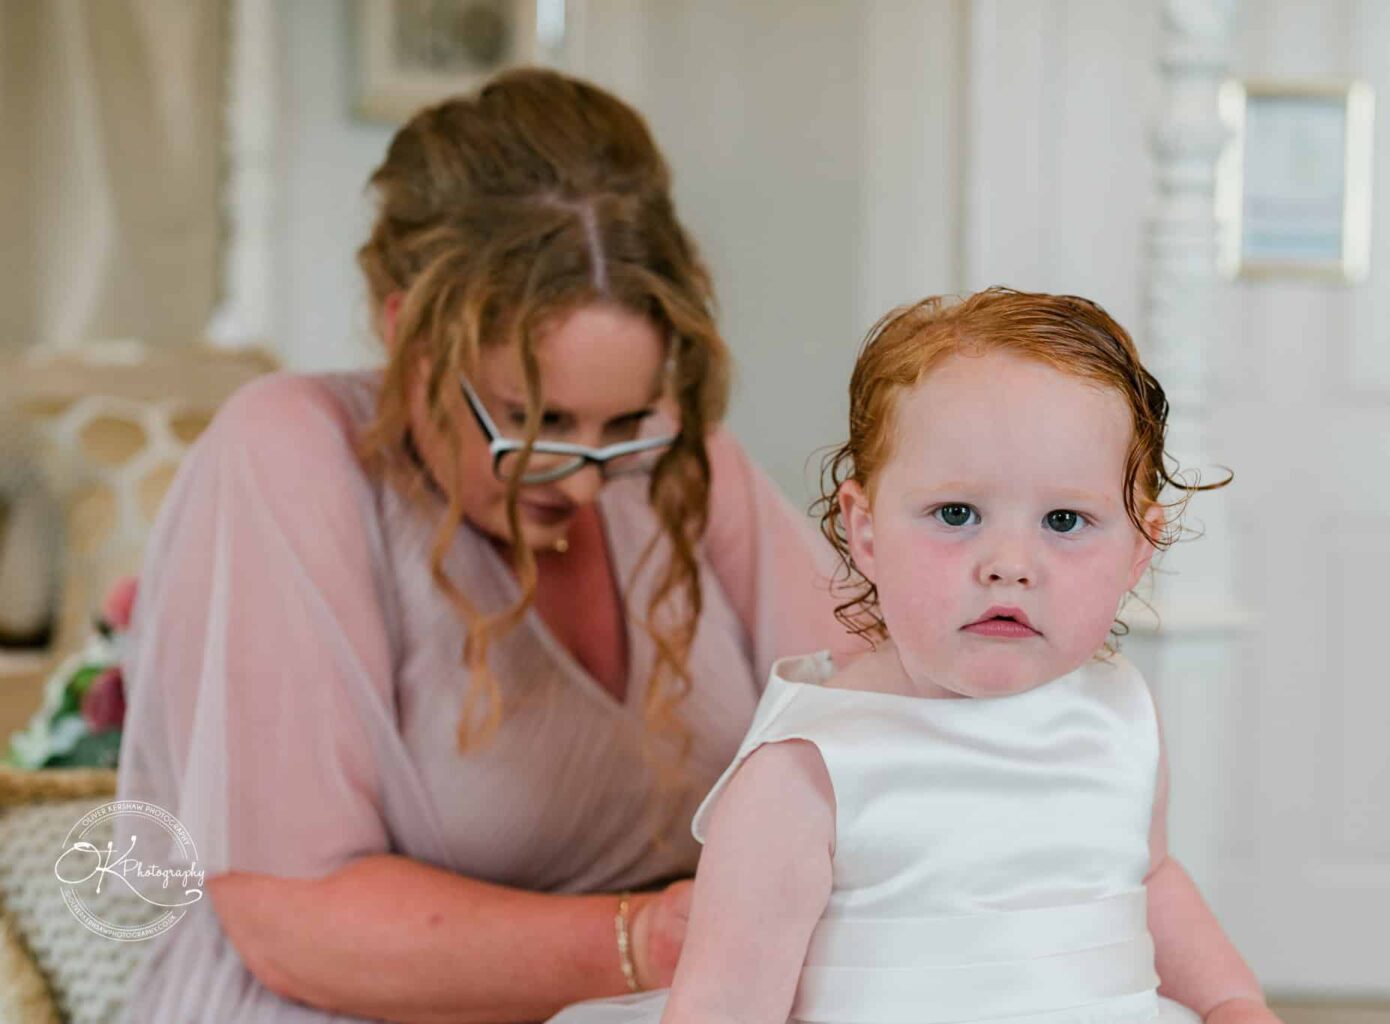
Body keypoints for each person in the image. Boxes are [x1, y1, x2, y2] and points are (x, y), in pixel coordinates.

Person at [114, 69, 850, 1022]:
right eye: (532, 424)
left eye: (623, 421)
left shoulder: (677, 465)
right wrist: (657, 940)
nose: (582, 483)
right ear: (407, 336)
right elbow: (293, 920)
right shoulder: (292, 448)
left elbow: (874, 711)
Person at [546, 288, 1278, 1024]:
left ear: (1138, 551)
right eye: (957, 514)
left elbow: (1149, 879)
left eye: (1065, 520)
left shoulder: (1119, 714)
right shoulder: (809, 770)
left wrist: (1230, 1002)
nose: (1009, 564)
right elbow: (726, 1006)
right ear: (865, 532)